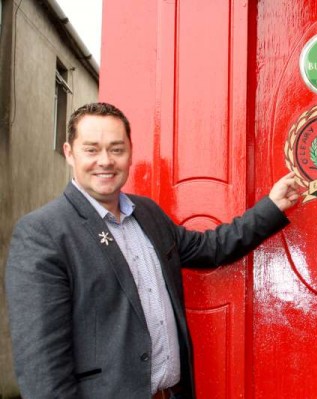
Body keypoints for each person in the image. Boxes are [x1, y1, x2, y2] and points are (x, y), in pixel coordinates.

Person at [5, 102, 299, 399]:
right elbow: (41, 368)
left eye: (116, 149)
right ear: (70, 153)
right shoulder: (42, 233)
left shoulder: (147, 213)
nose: (105, 161)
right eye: (91, 150)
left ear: (130, 152)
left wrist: (270, 208)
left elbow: (210, 248)